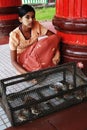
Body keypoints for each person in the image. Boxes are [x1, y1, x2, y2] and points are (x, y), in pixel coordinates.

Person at [9, 4, 61, 75]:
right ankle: (28, 70)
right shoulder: (14, 35)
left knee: (46, 42)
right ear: (20, 19)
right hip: (24, 60)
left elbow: (54, 37)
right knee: (40, 45)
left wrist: (57, 53)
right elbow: (13, 61)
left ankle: (36, 69)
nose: (31, 20)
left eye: (33, 17)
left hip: (35, 55)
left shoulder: (36, 25)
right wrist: (28, 76)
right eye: (27, 17)